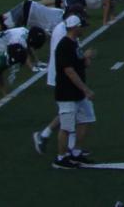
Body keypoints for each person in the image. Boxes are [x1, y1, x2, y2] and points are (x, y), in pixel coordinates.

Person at [51, 11, 95, 167]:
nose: (83, 29)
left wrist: (86, 57)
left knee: (86, 119)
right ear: (74, 27)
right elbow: (69, 71)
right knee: (66, 127)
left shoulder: (75, 43)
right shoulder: (64, 46)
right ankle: (61, 158)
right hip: (67, 93)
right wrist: (86, 89)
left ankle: (76, 151)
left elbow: (81, 64)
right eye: (81, 26)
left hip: (77, 93)